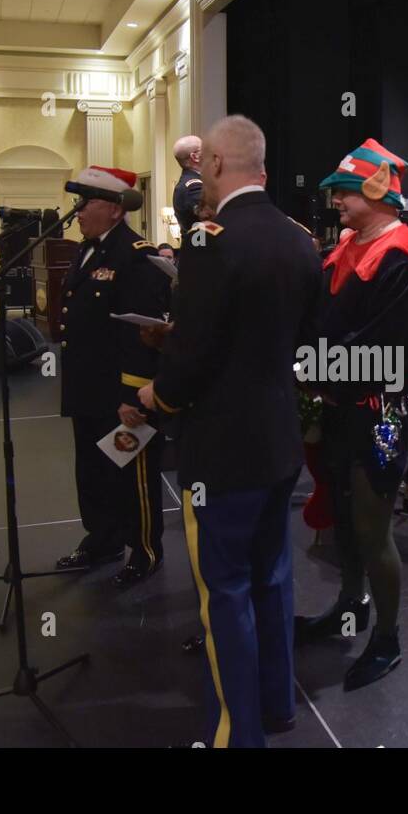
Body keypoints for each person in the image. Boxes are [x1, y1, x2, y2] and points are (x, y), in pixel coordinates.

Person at [136, 115, 322, 747]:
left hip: (221, 448)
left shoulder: (206, 238)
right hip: (278, 438)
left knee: (226, 593)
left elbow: (194, 352)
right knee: (273, 576)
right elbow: (300, 340)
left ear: (213, 164)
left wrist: (156, 391)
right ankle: (278, 708)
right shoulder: (300, 240)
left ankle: (238, 735)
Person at [290, 137, 408, 692]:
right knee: (345, 521)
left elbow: (385, 343)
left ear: (375, 194)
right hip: (337, 404)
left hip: (380, 408)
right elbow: (323, 320)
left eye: (346, 195)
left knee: (373, 528)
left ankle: (388, 638)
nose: (338, 205)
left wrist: (310, 367)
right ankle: (348, 608)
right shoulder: (349, 243)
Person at [52, 165, 170, 589]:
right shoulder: (88, 249)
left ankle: (145, 550)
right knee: (93, 470)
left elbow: (141, 332)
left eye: (87, 203)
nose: (78, 211)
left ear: (116, 210)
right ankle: (101, 538)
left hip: (122, 394)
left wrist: (133, 395)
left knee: (131, 474)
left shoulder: (135, 256)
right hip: (87, 387)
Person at [172, 134, 205, 234]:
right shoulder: (194, 187)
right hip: (201, 246)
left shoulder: (189, 182)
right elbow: (209, 219)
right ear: (195, 157)